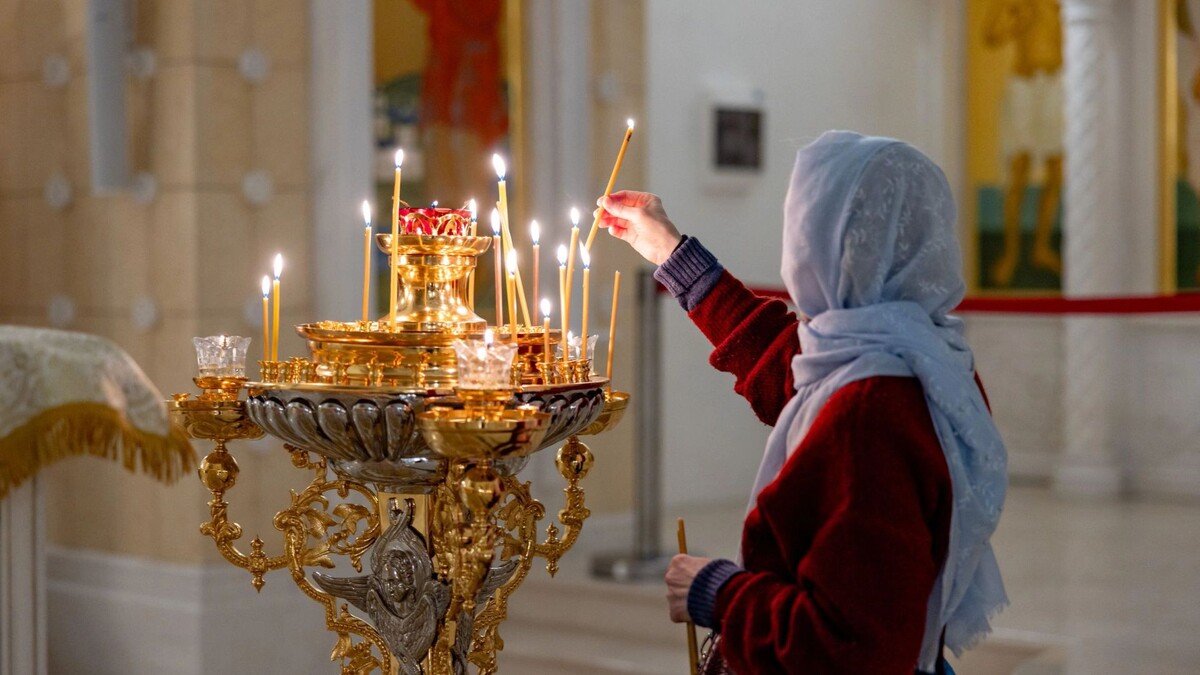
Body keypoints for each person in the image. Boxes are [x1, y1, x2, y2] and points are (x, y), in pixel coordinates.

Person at [595, 131, 1008, 674]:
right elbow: (785, 365)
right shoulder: (925, 356)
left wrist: (716, 592)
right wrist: (672, 252)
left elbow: (850, 646)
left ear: (827, 243)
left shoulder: (870, 409)